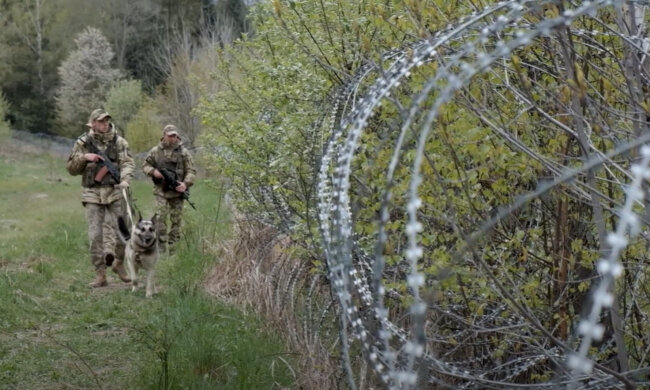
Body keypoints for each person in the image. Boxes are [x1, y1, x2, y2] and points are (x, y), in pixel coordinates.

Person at [66, 108, 134, 287]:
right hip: (92, 193)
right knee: (95, 235)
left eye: (106, 121)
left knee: (123, 232)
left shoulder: (119, 142)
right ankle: (100, 273)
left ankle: (118, 263)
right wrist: (84, 158)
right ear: (93, 124)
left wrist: (125, 179)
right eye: (101, 121)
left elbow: (127, 163)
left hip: (115, 190)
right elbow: (71, 168)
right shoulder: (83, 142)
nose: (105, 124)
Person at [142, 124, 196, 254]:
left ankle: (173, 249)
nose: (173, 138)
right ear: (164, 136)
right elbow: (145, 165)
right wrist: (154, 172)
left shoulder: (183, 153)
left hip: (177, 193)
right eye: (170, 135)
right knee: (160, 219)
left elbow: (191, 171)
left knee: (176, 221)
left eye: (174, 135)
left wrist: (185, 183)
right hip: (161, 192)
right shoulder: (156, 151)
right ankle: (161, 247)